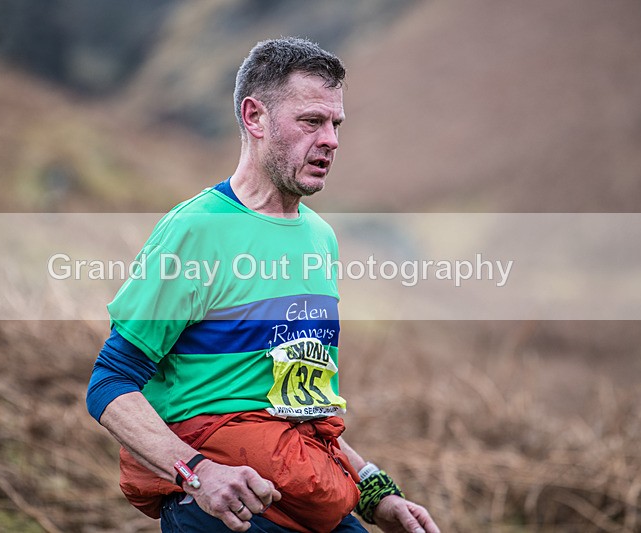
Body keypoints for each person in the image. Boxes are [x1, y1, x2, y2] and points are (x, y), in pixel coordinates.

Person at [86, 37, 440, 533]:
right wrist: (197, 474)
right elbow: (110, 384)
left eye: (335, 124)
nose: (331, 140)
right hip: (225, 512)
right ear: (255, 118)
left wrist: (377, 495)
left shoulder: (320, 238)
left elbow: (302, 408)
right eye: (311, 121)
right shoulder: (195, 231)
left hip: (311, 495)